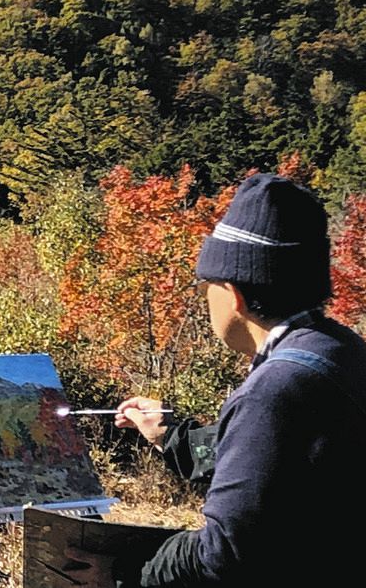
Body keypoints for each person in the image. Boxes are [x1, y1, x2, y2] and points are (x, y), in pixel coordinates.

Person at [87, 173, 366, 587]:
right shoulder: (342, 349)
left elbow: (224, 553)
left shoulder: (274, 389)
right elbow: (268, 461)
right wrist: (168, 434)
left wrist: (132, 569)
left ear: (233, 294)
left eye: (208, 284)